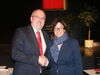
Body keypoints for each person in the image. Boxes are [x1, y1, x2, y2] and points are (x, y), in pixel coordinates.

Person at [11, 9, 50, 75]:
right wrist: (37, 59)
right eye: (37, 17)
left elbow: (47, 55)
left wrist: (47, 62)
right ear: (31, 18)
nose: (40, 20)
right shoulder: (22, 32)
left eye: (43, 18)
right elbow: (15, 53)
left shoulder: (46, 35)